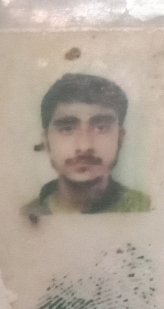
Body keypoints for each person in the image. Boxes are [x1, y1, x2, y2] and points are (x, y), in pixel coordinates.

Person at [22, 73, 150, 220]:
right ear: (46, 141)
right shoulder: (25, 217)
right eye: (67, 128)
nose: (84, 146)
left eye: (101, 127)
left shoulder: (144, 207)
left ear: (120, 139)